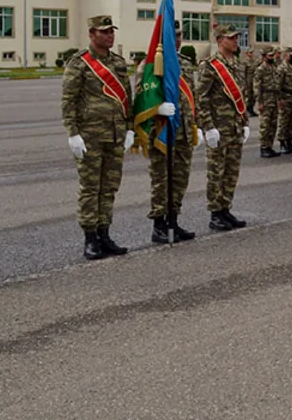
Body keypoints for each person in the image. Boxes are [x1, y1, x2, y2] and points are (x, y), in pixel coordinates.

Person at [61, 15, 137, 260]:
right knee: (90, 188)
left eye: (111, 31)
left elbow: (127, 96)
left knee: (109, 188)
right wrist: (73, 133)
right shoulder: (80, 63)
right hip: (90, 136)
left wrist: (130, 128)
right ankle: (90, 238)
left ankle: (105, 234)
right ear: (92, 34)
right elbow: (68, 100)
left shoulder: (118, 62)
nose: (109, 36)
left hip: (115, 135)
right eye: (104, 32)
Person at [146, 20, 198, 243]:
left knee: (179, 179)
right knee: (161, 180)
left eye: (180, 35)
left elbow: (191, 96)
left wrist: (197, 126)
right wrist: (157, 108)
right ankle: (159, 224)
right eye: (173, 35)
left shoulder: (184, 64)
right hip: (162, 131)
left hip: (183, 130)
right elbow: (143, 96)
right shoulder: (151, 64)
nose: (178, 39)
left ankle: (174, 221)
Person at [197, 24, 251, 230]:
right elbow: (201, 98)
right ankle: (215, 213)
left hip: (235, 127)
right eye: (232, 37)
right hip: (218, 128)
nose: (236, 40)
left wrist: (245, 122)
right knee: (216, 172)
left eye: (237, 37)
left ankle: (226, 208)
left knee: (231, 171)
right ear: (220, 41)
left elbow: (241, 96)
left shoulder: (237, 65)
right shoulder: (210, 66)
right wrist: (208, 127)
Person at [253, 49, 283, 157]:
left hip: (274, 99)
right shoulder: (260, 69)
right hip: (266, 100)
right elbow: (257, 87)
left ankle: (270, 146)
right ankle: (264, 147)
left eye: (273, 55)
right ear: (264, 56)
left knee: (273, 125)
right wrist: (259, 102)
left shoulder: (274, 68)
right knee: (265, 125)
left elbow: (277, 85)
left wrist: (279, 99)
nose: (272, 57)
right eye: (270, 55)